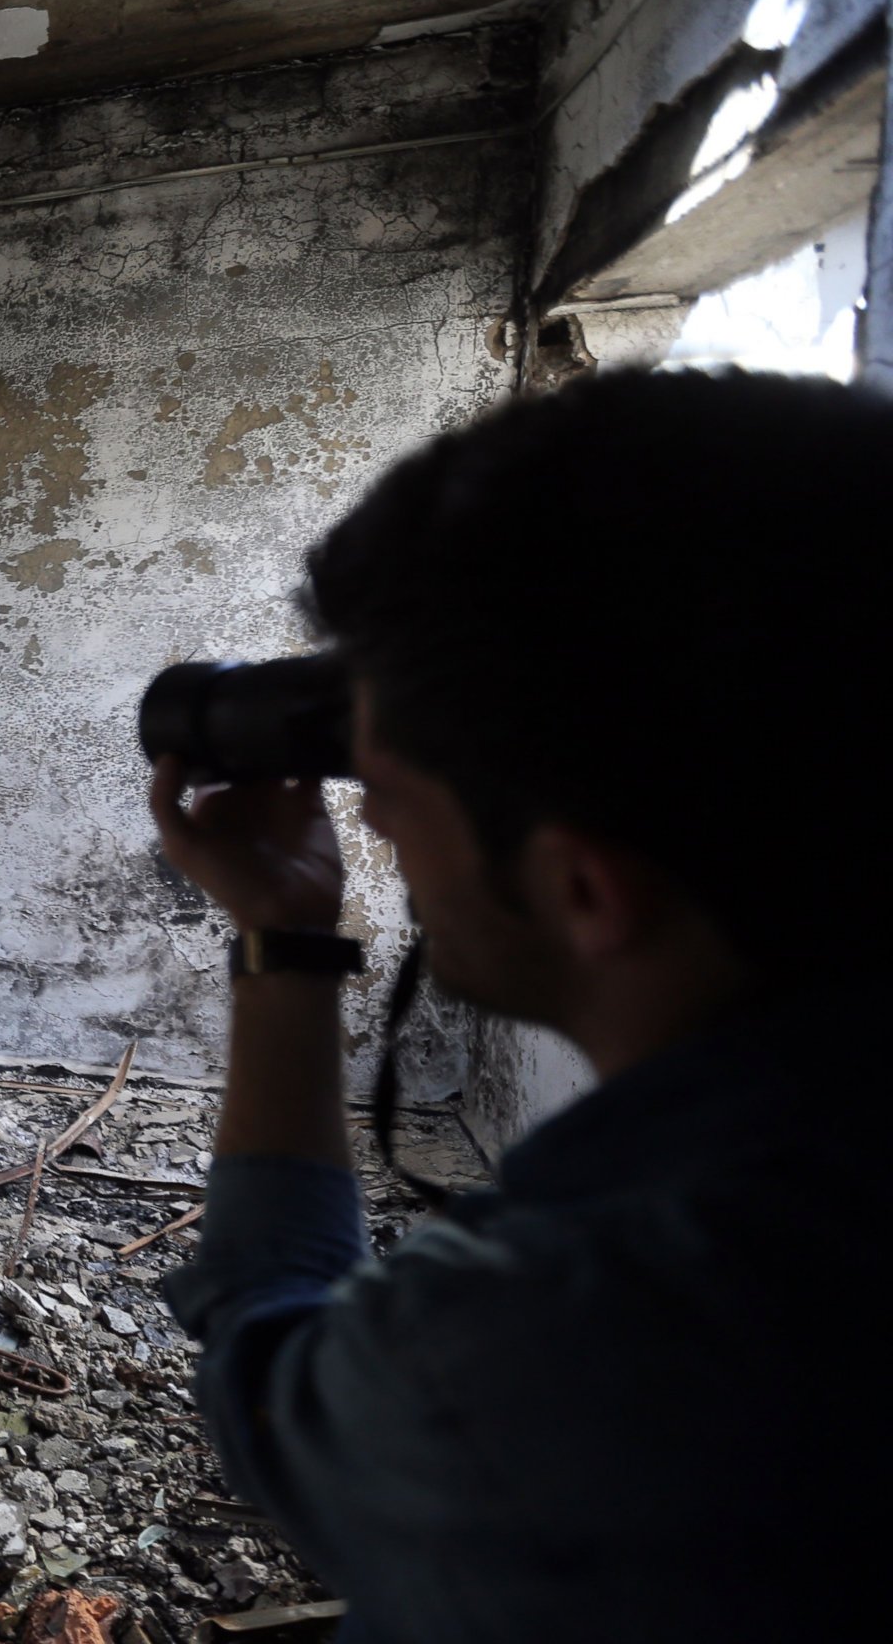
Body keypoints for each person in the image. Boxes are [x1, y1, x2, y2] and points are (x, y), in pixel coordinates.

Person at [146, 368, 884, 1641]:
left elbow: (276, 1378)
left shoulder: (578, 1343)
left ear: (585, 888)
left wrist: (282, 944)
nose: (368, 817)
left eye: (389, 794)